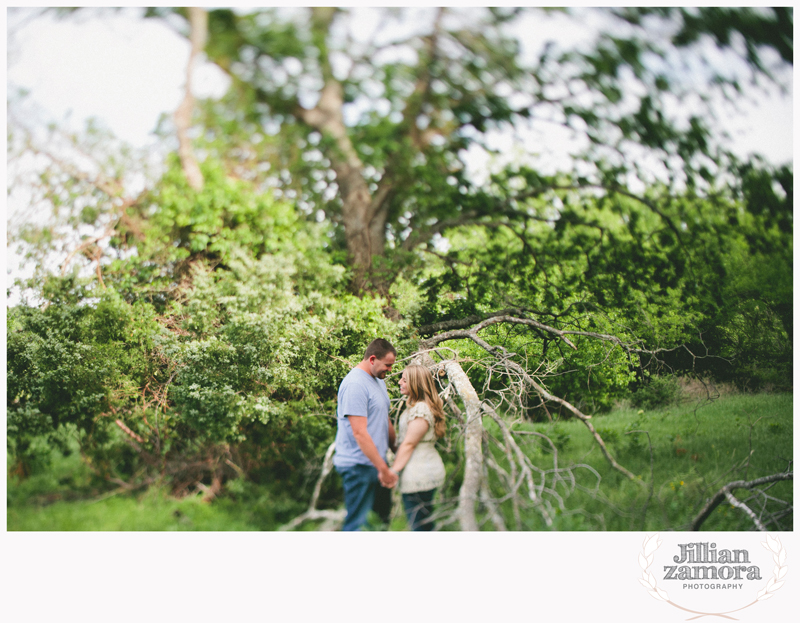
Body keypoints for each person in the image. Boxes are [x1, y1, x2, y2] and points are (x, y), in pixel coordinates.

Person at [333, 338, 398, 531]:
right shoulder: (355, 385)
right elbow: (359, 433)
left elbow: (384, 420)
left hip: (376, 464)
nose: (390, 370)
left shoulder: (378, 380)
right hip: (358, 467)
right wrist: (383, 469)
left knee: (380, 523)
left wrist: (397, 450)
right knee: (358, 526)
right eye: (387, 365)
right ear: (372, 359)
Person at [391, 364, 447, 531]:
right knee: (424, 524)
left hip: (420, 474)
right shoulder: (416, 406)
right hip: (419, 470)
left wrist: (393, 472)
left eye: (405, 380)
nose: (399, 382)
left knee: (420, 526)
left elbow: (409, 443)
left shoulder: (421, 409)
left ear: (416, 383)